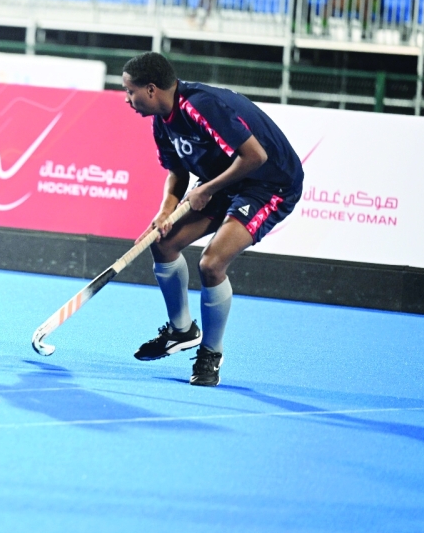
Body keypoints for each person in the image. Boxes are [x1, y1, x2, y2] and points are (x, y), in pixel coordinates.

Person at [121, 52, 304, 387]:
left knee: (211, 263)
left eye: (129, 91)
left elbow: (255, 156)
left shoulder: (202, 105)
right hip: (225, 178)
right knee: (163, 244)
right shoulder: (162, 121)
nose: (127, 99)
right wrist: (164, 211)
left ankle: (210, 354)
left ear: (150, 90)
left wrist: (207, 190)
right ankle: (181, 331)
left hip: (268, 183)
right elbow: (177, 172)